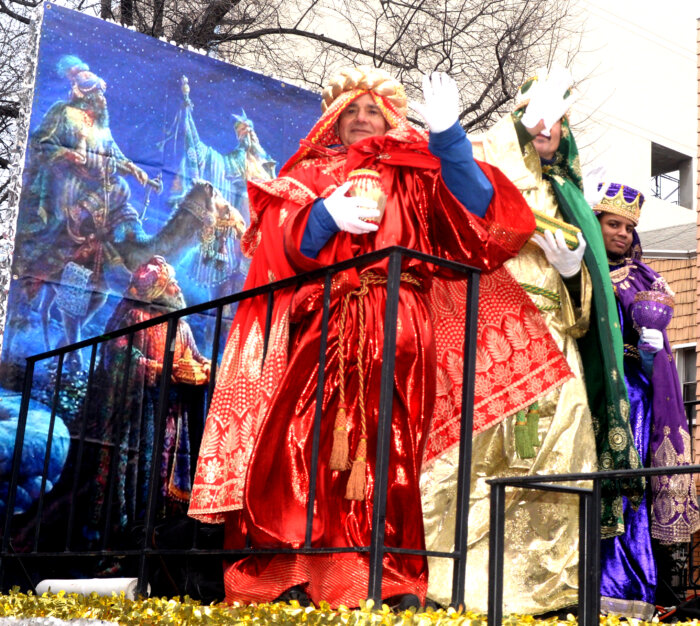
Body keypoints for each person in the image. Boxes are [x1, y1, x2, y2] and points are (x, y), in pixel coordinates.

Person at [188, 66, 569, 608]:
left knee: (392, 451)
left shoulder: (413, 171)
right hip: (329, 321)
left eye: (374, 111)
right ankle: (298, 567)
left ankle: (378, 571)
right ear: (332, 121)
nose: (363, 119)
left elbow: (480, 210)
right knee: (300, 438)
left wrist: (449, 138)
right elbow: (278, 246)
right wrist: (324, 216)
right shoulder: (306, 176)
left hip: (403, 325)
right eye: (351, 111)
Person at [420, 66, 643, 614]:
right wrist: (449, 136)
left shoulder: (568, 196)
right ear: (517, 119)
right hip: (492, 337)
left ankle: (551, 595)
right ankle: (460, 589)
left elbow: (589, 303)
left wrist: (571, 269)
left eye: (560, 120)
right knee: (475, 463)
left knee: (564, 463)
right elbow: (467, 190)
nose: (548, 126)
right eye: (536, 113)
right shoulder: (490, 164)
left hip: (556, 346)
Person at [594, 183, 700, 619]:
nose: (622, 234)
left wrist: (656, 352)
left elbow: (656, 347)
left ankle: (627, 586)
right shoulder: (582, 270)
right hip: (589, 387)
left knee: (628, 487)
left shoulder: (644, 277)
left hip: (634, 398)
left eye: (629, 227)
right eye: (613, 224)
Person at [87, 256, 210, 543]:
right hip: (140, 412)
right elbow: (118, 356)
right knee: (138, 470)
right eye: (171, 283)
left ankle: (160, 538)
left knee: (167, 473)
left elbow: (197, 357)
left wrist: (205, 369)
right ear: (157, 287)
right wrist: (159, 370)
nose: (178, 287)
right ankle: (128, 536)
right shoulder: (134, 317)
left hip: (173, 418)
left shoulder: (181, 326)